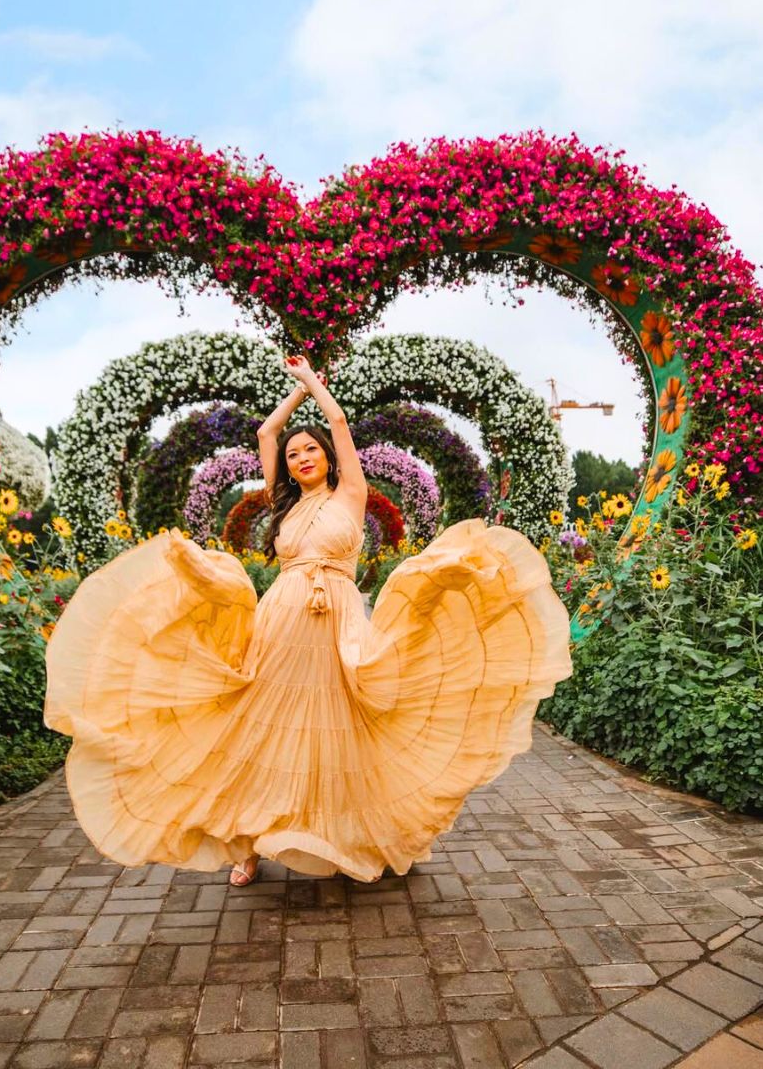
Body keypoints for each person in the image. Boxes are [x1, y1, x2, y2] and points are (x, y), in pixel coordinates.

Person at [44, 354, 572, 887]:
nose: (300, 458)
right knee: (255, 727)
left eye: (310, 450)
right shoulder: (283, 502)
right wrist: (292, 400)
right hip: (282, 620)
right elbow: (266, 431)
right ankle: (246, 846)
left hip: (336, 621)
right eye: (295, 454)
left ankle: (351, 836)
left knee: (340, 733)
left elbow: (339, 422)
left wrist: (311, 381)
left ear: (327, 455)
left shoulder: (350, 494)